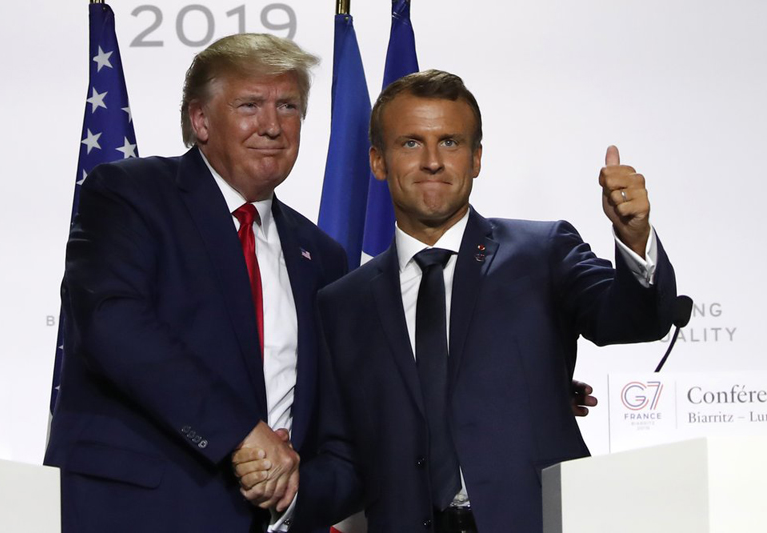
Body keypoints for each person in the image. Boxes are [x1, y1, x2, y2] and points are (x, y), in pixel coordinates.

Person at [235, 69, 677, 532]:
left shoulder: (542, 251)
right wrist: (285, 493)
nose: (432, 161)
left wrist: (633, 237)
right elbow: (347, 458)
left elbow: (631, 320)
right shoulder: (342, 303)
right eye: (410, 143)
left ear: (476, 158)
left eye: (450, 142)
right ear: (378, 161)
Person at [44, 34, 346, 532]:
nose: (272, 125)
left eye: (288, 106)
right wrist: (239, 434)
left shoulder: (323, 257)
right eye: (250, 105)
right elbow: (114, 325)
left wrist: (295, 489)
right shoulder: (129, 195)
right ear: (200, 120)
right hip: (138, 513)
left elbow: (333, 422)